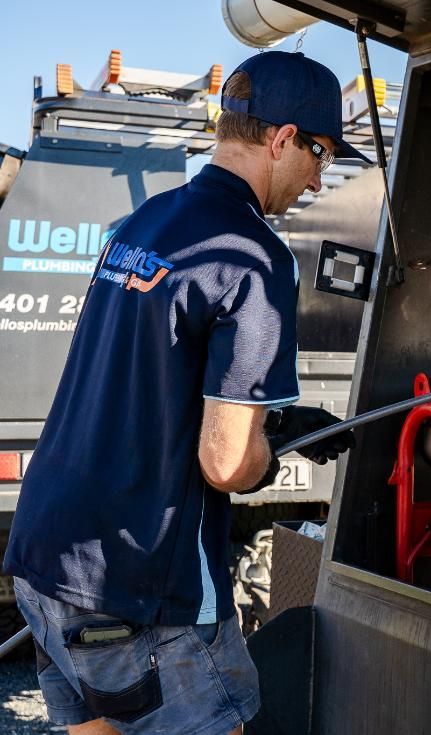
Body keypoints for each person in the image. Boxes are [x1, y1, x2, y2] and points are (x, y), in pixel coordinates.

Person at [2, 51, 364, 735]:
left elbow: (150, 377)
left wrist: (274, 419)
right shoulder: (255, 255)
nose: (320, 179)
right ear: (282, 139)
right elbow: (227, 465)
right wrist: (268, 453)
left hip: (45, 555)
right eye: (319, 154)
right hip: (136, 587)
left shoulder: (143, 223)